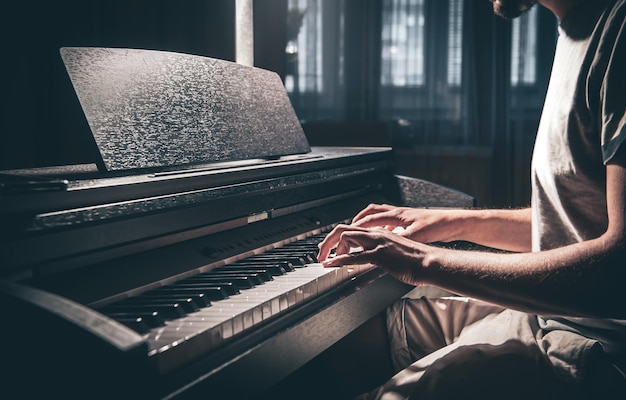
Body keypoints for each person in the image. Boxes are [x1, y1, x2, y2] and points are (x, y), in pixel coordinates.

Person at [317, 0, 626, 398]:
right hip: (552, 318)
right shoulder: (575, 27)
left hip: (596, 347)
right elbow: (577, 221)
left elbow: (618, 267)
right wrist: (454, 222)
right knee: (363, 332)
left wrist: (421, 261)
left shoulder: (618, 31)